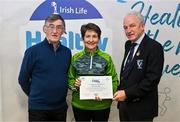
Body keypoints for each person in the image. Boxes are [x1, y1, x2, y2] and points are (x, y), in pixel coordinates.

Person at [18, 14, 71, 121]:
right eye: (51, 26)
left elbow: (65, 76)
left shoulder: (67, 52)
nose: (55, 31)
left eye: (59, 27)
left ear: (63, 31)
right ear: (44, 29)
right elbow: (23, 79)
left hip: (60, 108)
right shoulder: (32, 51)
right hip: (38, 109)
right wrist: (35, 96)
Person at [113, 11, 164, 122]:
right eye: (125, 27)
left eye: (132, 26)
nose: (128, 30)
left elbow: (151, 80)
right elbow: (128, 74)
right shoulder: (128, 45)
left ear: (142, 26)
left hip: (141, 110)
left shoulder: (154, 47)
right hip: (124, 107)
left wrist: (126, 93)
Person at [68, 23, 118, 121]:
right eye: (88, 36)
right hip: (80, 105)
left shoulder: (106, 58)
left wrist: (105, 94)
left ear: (99, 39)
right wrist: (75, 85)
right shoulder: (76, 58)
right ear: (83, 38)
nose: (91, 40)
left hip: (101, 106)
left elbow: (114, 80)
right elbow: (69, 79)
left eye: (94, 36)